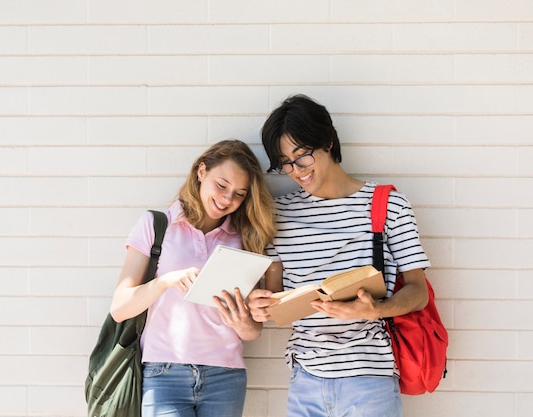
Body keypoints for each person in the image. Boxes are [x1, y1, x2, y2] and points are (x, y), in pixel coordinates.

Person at [247, 94, 431, 417]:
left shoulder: (388, 206)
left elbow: (418, 293)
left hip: (370, 380)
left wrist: (375, 309)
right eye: (285, 163)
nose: (295, 171)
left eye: (302, 156)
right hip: (305, 382)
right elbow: (276, 298)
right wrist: (262, 307)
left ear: (328, 142)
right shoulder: (277, 215)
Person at [110, 139, 276, 417]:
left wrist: (243, 321)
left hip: (226, 375)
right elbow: (119, 308)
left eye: (239, 194)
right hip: (164, 374)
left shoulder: (244, 239)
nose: (227, 200)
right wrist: (166, 281)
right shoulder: (156, 225)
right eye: (221, 185)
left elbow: (253, 332)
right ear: (201, 172)